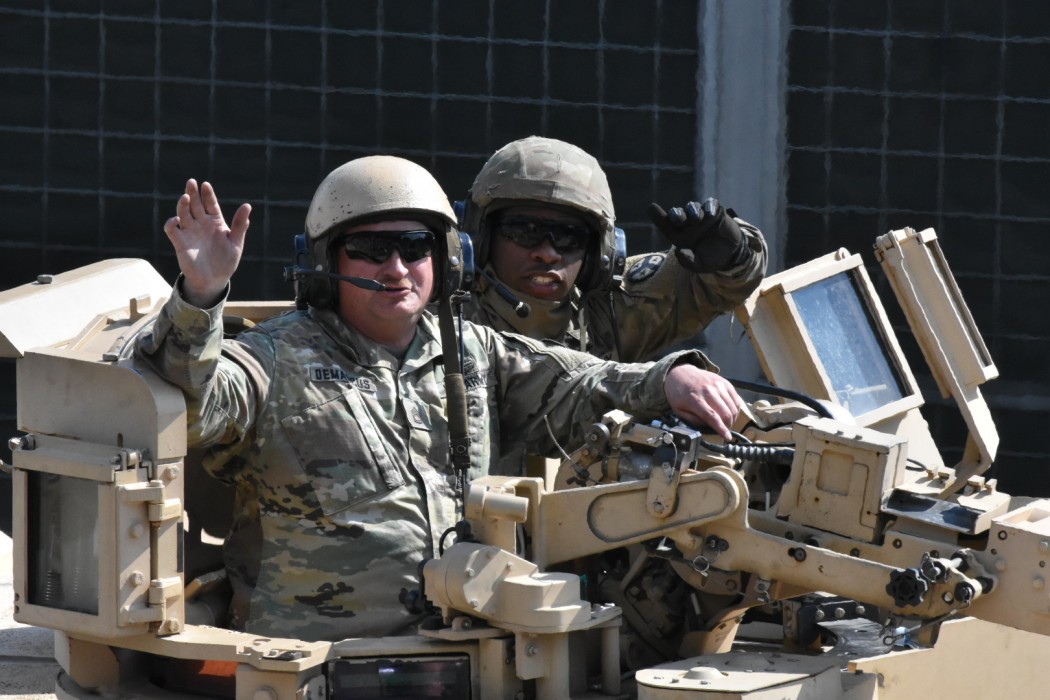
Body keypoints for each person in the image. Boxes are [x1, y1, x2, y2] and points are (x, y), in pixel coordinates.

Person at [135, 155, 745, 643]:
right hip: (314, 665)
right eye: (370, 250)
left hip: (461, 653)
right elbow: (191, 406)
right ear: (326, 261)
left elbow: (578, 381)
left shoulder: (472, 349)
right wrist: (201, 295)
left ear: (448, 260)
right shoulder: (273, 358)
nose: (396, 268)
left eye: (414, 247)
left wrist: (668, 378)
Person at [458, 135, 768, 362]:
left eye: (569, 236)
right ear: (482, 235)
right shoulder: (444, 320)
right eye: (525, 231)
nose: (548, 253)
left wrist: (734, 255)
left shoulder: (605, 312)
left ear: (599, 252)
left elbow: (716, 287)